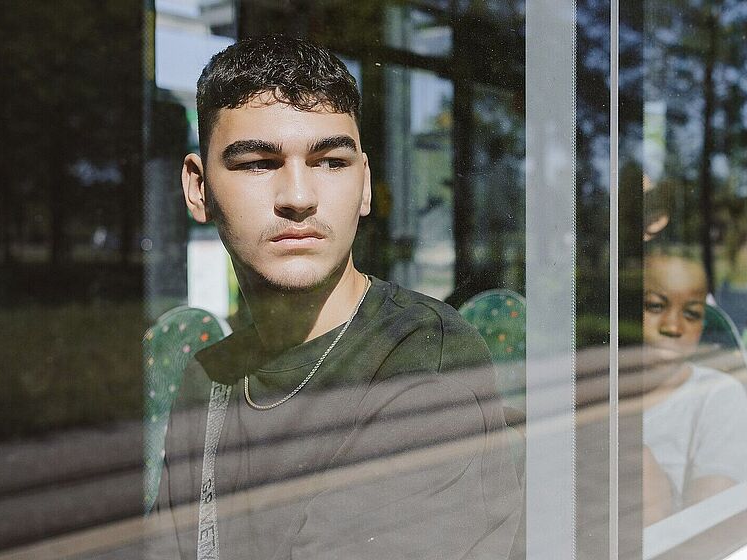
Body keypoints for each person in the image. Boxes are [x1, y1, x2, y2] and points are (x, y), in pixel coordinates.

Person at [151, 35, 521, 559]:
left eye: (330, 161)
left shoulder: (420, 360)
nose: (299, 197)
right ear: (198, 188)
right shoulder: (209, 378)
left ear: (364, 184)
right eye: (257, 162)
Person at [639, 250, 747, 526]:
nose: (673, 326)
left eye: (691, 314)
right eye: (655, 306)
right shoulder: (593, 393)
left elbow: (710, 525)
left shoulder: (717, 395)